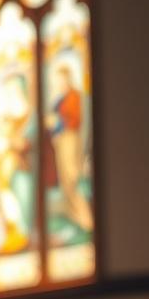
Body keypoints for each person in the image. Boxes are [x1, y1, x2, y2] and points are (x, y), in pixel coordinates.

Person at [46, 63, 93, 233]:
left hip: (70, 140)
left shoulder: (74, 96)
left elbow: (73, 120)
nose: (58, 83)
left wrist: (56, 122)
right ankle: (77, 218)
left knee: (72, 178)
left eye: (61, 79)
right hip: (61, 141)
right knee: (66, 181)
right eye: (56, 80)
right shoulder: (61, 97)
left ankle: (85, 218)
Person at [0, 73, 34, 253]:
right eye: (7, 91)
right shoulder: (4, 119)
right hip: (4, 169)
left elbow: (27, 141)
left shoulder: (30, 116)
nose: (10, 95)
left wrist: (11, 143)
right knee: (6, 201)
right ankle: (13, 235)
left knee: (22, 200)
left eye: (13, 90)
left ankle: (25, 236)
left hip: (22, 168)